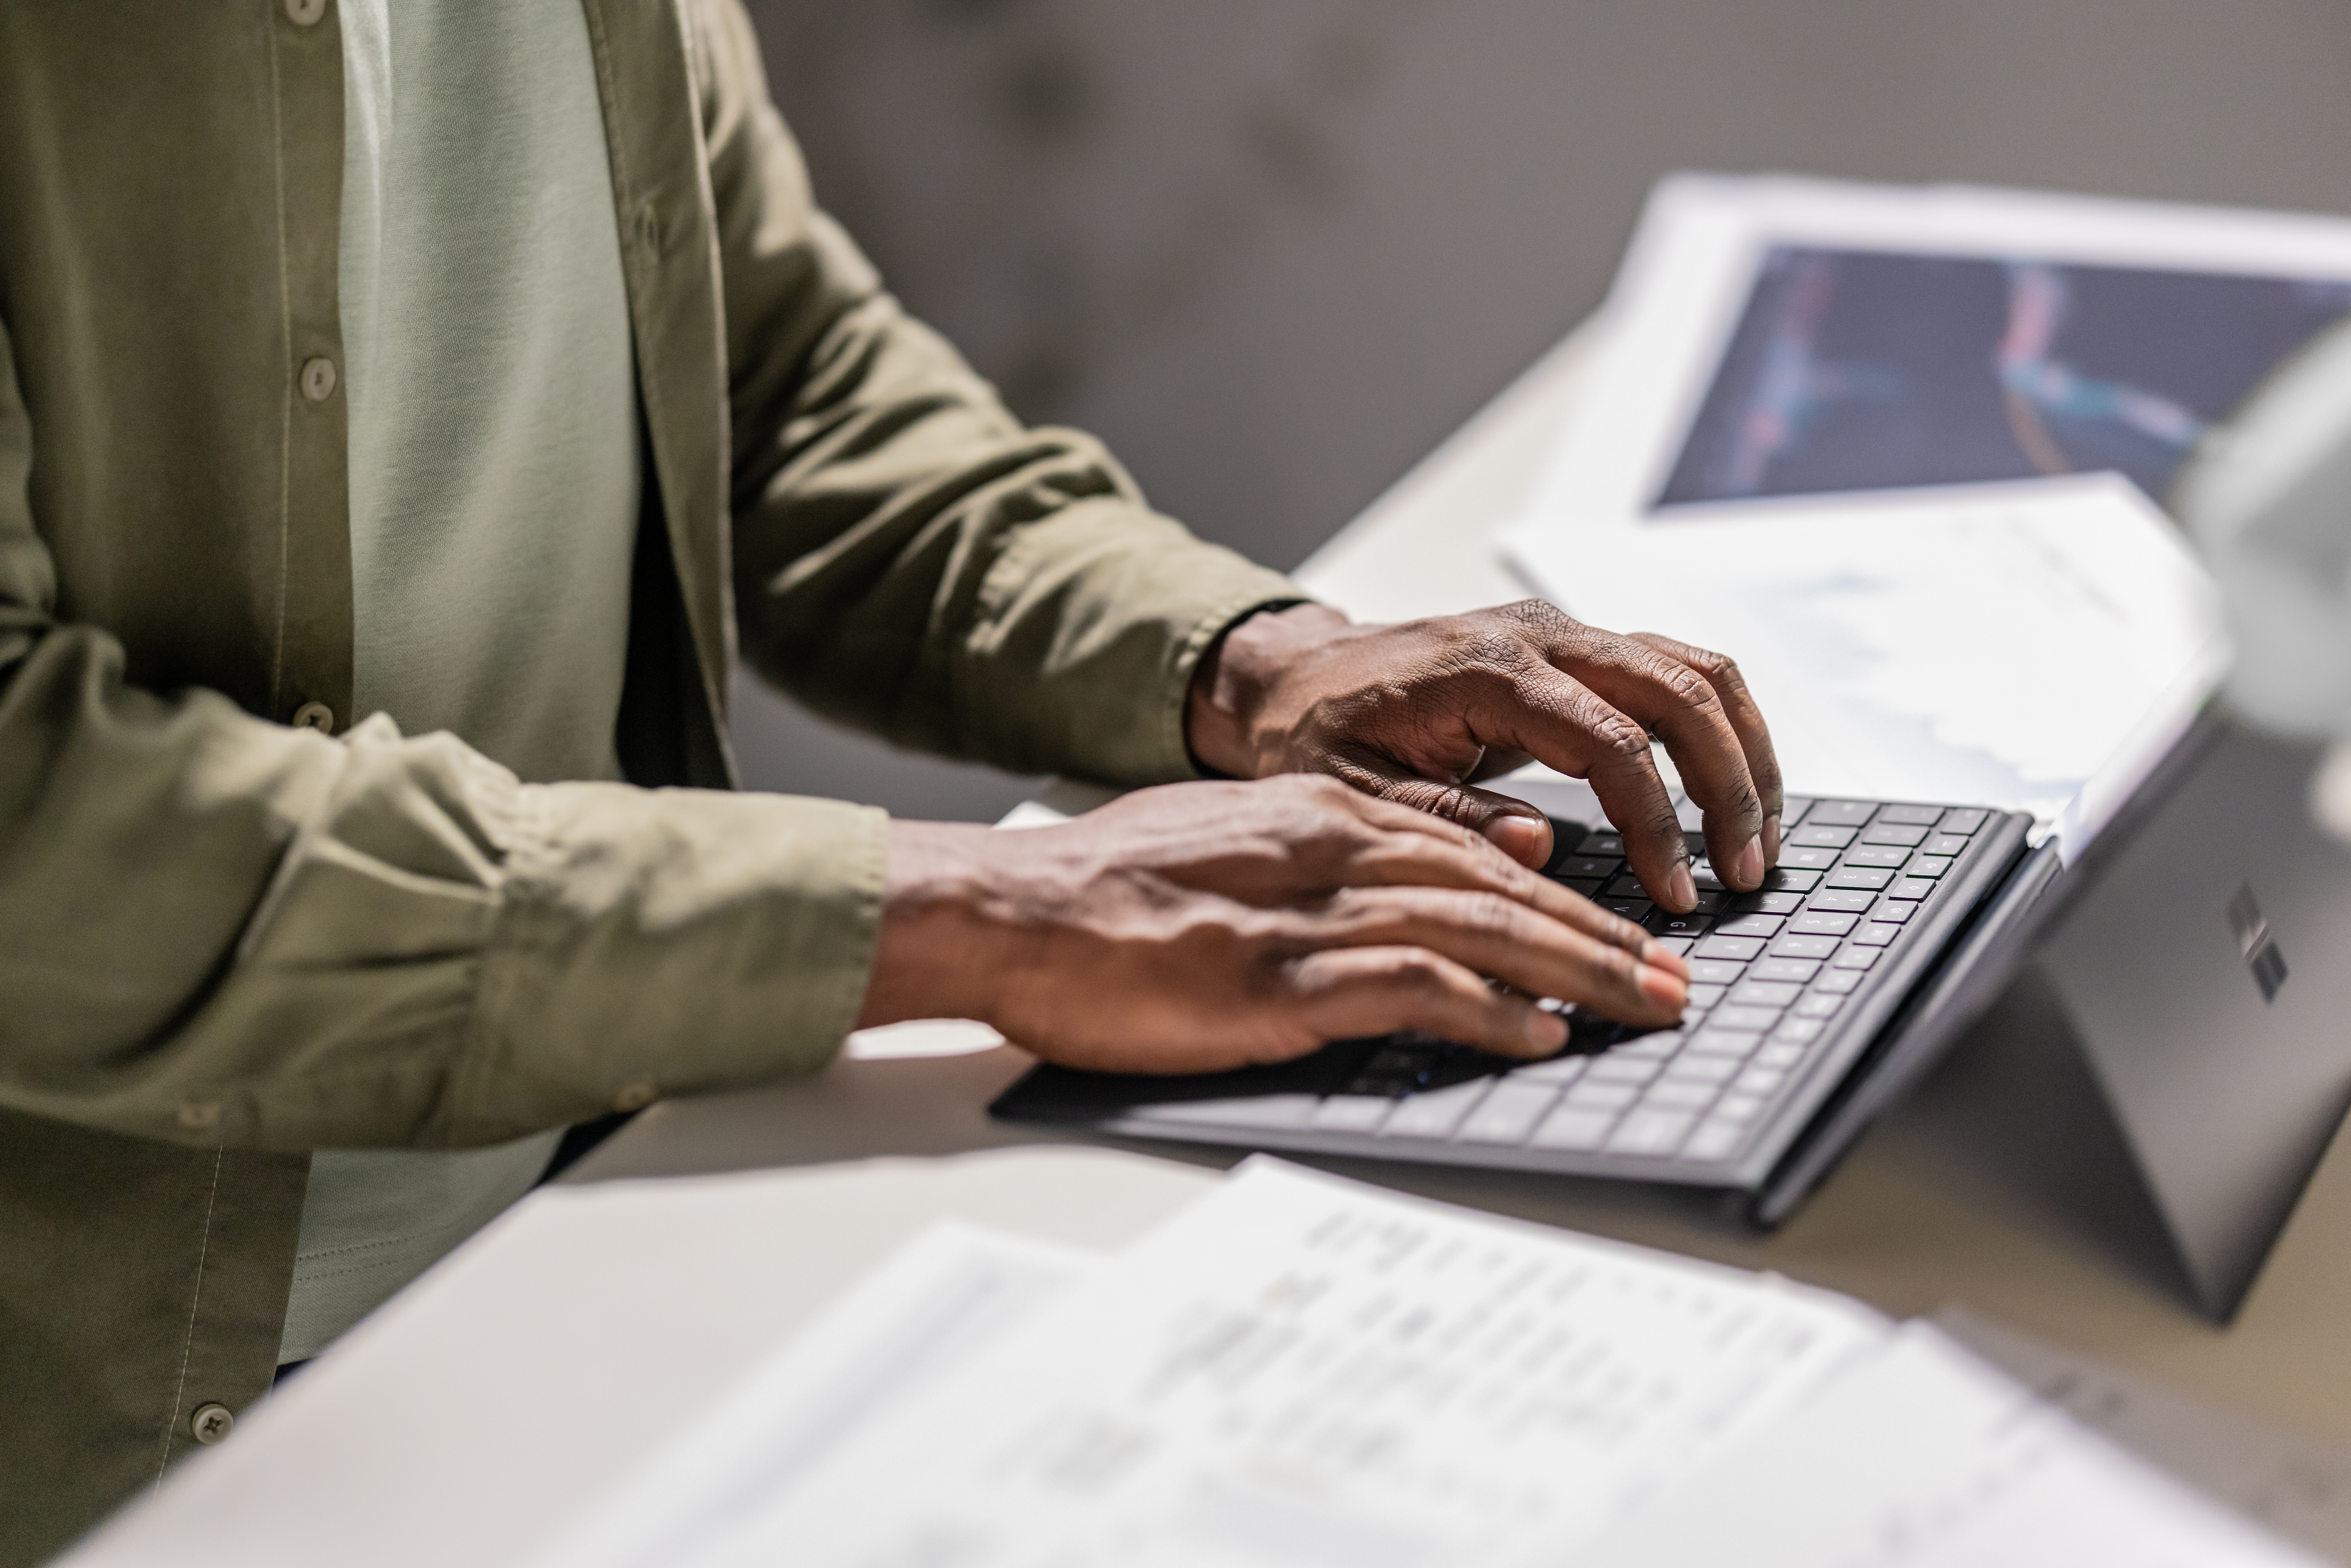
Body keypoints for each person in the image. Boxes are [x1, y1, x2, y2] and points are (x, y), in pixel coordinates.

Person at [0, 1, 1781, 1558]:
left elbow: (778, 388)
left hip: (591, 1227)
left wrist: (1246, 662)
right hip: (132, 1431)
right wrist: (965, 910)